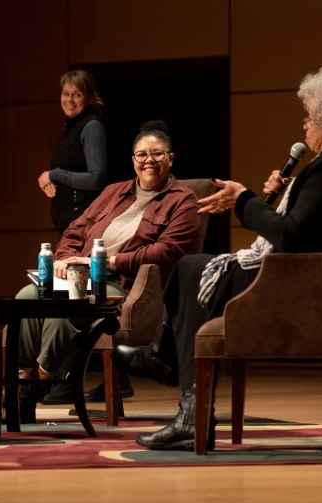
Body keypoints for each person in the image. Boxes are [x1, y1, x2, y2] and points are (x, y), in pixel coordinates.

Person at [112, 65, 322, 450]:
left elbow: (290, 236)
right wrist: (295, 190)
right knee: (194, 267)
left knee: (193, 266)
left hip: (299, 288)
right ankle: (168, 368)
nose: (305, 123)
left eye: (310, 115)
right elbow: (314, 228)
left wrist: (242, 200)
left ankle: (174, 381)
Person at [14, 120, 201, 420]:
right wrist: (64, 258)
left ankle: (42, 378)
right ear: (133, 160)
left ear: (170, 158)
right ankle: (24, 379)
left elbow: (167, 251)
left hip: (119, 283)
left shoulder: (183, 200)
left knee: (71, 307)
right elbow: (76, 229)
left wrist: (110, 262)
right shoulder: (114, 192)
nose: (149, 161)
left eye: (157, 154)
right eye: (141, 155)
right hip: (79, 273)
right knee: (26, 297)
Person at [37, 69, 109, 234]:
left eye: (76, 95)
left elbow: (95, 179)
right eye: (65, 93)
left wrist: (54, 175)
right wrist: (51, 183)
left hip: (83, 221)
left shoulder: (91, 127)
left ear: (90, 98)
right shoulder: (70, 128)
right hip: (70, 223)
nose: (69, 100)